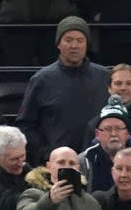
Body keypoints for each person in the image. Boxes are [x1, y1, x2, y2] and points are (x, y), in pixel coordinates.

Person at [14, 17, 110, 163]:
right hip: (58, 166)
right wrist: (48, 154)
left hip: (100, 163)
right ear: (58, 44)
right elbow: (26, 125)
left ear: (87, 44)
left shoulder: (104, 77)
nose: (74, 45)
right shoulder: (41, 80)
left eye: (80, 40)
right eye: (68, 40)